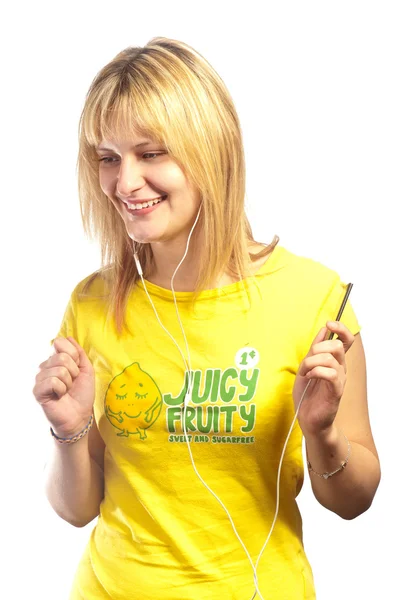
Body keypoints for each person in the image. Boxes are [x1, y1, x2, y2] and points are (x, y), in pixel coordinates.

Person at [33, 37, 381, 600]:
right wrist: (69, 431)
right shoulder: (92, 303)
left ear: (211, 151)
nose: (124, 183)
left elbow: (354, 502)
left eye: (151, 153)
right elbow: (75, 511)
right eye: (107, 157)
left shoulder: (312, 298)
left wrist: (323, 434)